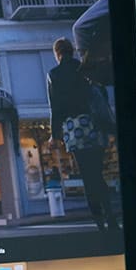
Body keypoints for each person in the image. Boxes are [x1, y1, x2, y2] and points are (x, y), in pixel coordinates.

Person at [47, 37, 112, 232]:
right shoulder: (84, 68)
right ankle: (111, 218)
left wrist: (54, 135)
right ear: (72, 51)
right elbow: (101, 92)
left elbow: (55, 107)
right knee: (98, 173)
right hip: (94, 125)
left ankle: (99, 222)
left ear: (57, 54)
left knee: (87, 176)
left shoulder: (54, 74)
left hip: (74, 128)